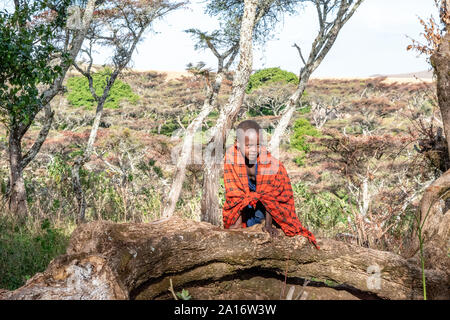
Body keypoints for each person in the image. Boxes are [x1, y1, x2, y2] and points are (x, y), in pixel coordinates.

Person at [222, 120, 319, 248]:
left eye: (257, 145)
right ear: (238, 144)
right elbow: (235, 194)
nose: (253, 150)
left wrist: (268, 225)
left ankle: (266, 223)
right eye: (248, 146)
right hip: (247, 200)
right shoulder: (231, 158)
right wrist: (236, 227)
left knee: (266, 228)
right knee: (234, 229)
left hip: (266, 204)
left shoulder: (270, 165)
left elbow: (270, 197)